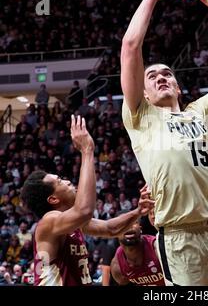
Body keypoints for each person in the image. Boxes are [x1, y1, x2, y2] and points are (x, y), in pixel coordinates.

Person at [120, 0, 208, 285]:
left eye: (167, 74)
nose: (161, 78)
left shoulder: (199, 112)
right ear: (143, 93)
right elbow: (130, 45)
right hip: (182, 240)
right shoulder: (140, 116)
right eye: (152, 76)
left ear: (178, 87)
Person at [20, 115, 154, 286]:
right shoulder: (49, 222)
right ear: (53, 199)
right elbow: (84, 210)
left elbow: (110, 229)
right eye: (60, 181)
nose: (68, 181)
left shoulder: (71, 222)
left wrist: (138, 212)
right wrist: (87, 150)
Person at [110, 215, 164, 286]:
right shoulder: (117, 266)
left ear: (140, 228)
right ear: (115, 233)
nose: (128, 227)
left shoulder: (157, 248)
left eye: (133, 223)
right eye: (122, 224)